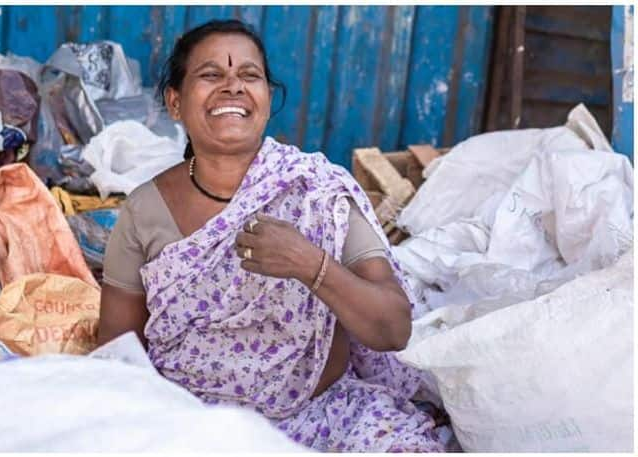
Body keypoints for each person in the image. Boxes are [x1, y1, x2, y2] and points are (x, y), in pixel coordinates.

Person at [97, 19, 444, 452]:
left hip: (324, 421)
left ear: (266, 97)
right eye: (210, 75)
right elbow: (117, 350)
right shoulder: (144, 209)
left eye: (249, 76)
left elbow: (393, 329)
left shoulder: (316, 190)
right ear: (174, 102)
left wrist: (310, 265)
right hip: (190, 428)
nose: (233, 87)